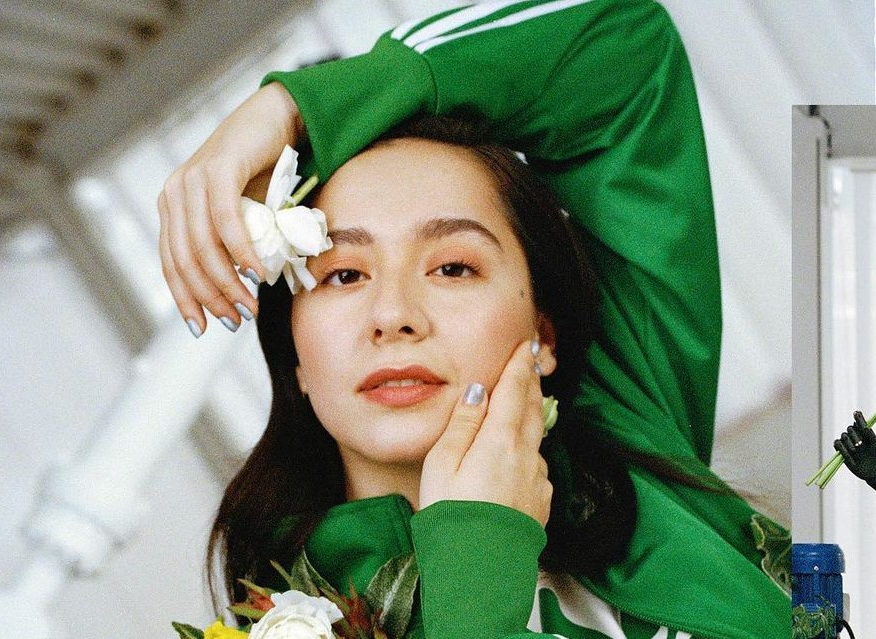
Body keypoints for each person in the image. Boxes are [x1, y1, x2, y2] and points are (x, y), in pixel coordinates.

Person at [159, 0, 789, 636]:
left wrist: (294, 109)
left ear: (542, 332)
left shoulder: (630, 421)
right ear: (295, 355)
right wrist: (477, 557)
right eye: (344, 274)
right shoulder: (287, 625)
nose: (394, 316)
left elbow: (626, 46)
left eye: (453, 268)